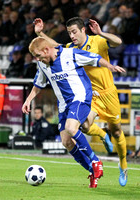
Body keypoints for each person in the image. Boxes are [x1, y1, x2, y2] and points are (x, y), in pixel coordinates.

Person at [34, 17, 128, 186]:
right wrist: (40, 33)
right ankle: (101, 135)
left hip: (109, 93)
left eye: (74, 32)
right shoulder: (70, 49)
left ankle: (123, 165)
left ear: (83, 30)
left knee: (117, 131)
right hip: (90, 95)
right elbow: (54, 47)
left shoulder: (97, 41)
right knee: (82, 126)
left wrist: (101, 32)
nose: (72, 36)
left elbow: (118, 42)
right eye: (69, 33)